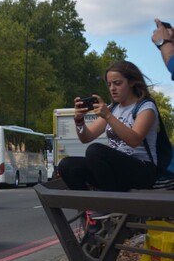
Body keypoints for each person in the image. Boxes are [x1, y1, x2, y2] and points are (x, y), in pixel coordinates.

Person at [57, 60, 159, 197]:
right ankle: (90, 208)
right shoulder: (113, 108)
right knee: (67, 165)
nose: (112, 89)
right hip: (114, 171)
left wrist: (108, 116)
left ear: (131, 82)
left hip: (143, 170)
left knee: (95, 151)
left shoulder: (146, 107)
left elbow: (134, 140)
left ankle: (111, 204)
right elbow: (85, 137)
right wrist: (79, 121)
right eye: (109, 84)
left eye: (117, 83)